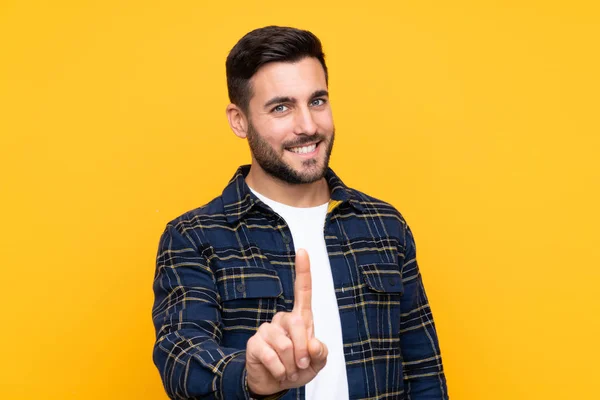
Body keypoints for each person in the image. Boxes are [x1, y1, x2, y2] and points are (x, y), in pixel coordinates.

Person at [152, 25, 448, 400]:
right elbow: (181, 357)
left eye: (318, 101)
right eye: (281, 107)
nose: (308, 126)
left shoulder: (383, 225)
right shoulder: (194, 236)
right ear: (239, 120)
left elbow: (424, 373)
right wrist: (251, 376)